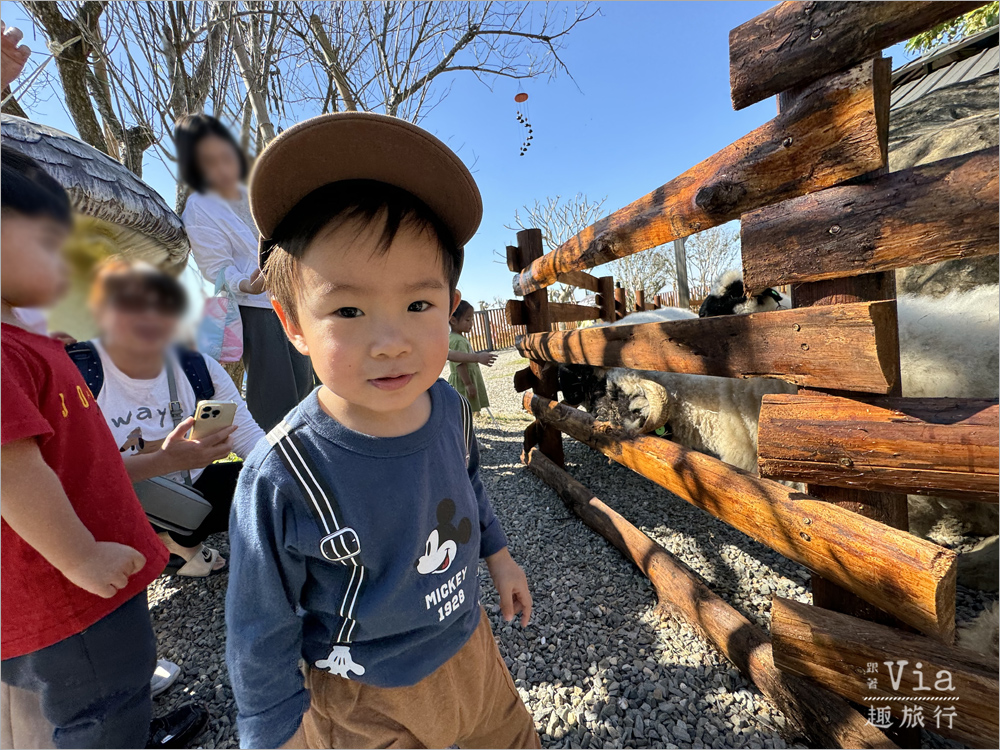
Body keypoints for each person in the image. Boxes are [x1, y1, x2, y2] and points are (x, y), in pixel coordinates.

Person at [225, 112, 539, 750]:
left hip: (469, 645)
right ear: (292, 323)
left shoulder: (449, 408)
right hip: (363, 694)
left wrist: (499, 556)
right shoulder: (283, 472)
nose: (391, 343)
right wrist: (271, 730)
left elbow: (468, 486)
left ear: (450, 308)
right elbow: (257, 625)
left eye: (418, 304)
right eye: (348, 310)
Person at [0, 146, 207, 749]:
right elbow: (11, 470)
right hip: (69, 592)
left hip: (74, 582)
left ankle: (132, 729)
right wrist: (80, 556)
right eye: (47, 242)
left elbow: (66, 461)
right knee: (100, 703)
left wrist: (165, 460)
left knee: (114, 686)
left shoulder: (31, 344)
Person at [78, 258, 265, 577]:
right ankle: (152, 547)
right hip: (113, 503)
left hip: (185, 492)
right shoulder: (80, 374)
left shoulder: (197, 366)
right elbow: (70, 478)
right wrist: (164, 459)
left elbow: (250, 440)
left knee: (264, 482)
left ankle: (177, 543)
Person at [174, 113, 312, 431]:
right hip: (257, 310)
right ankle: (272, 470)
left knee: (305, 393)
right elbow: (216, 268)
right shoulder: (200, 207)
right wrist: (246, 285)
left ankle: (306, 464)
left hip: (294, 301)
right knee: (275, 402)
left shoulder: (257, 190)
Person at [447, 299, 492, 413]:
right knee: (464, 408)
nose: (471, 323)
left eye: (472, 319)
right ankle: (466, 427)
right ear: (453, 320)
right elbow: (459, 363)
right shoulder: (457, 341)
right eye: (467, 320)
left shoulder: (458, 338)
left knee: (466, 408)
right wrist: (468, 384)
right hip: (464, 380)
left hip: (466, 378)